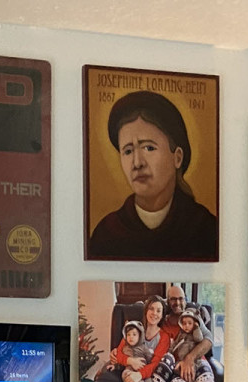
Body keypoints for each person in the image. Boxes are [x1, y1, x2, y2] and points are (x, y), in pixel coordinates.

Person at [87, 90, 217, 261]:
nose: (137, 163)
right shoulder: (107, 234)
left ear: (177, 157)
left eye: (149, 148)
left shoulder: (204, 229)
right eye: (128, 151)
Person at [166, 305, 216, 382]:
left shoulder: (193, 315)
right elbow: (172, 348)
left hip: (198, 362)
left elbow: (208, 339)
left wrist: (190, 358)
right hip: (177, 365)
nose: (178, 302)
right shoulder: (162, 320)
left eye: (181, 299)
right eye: (173, 299)